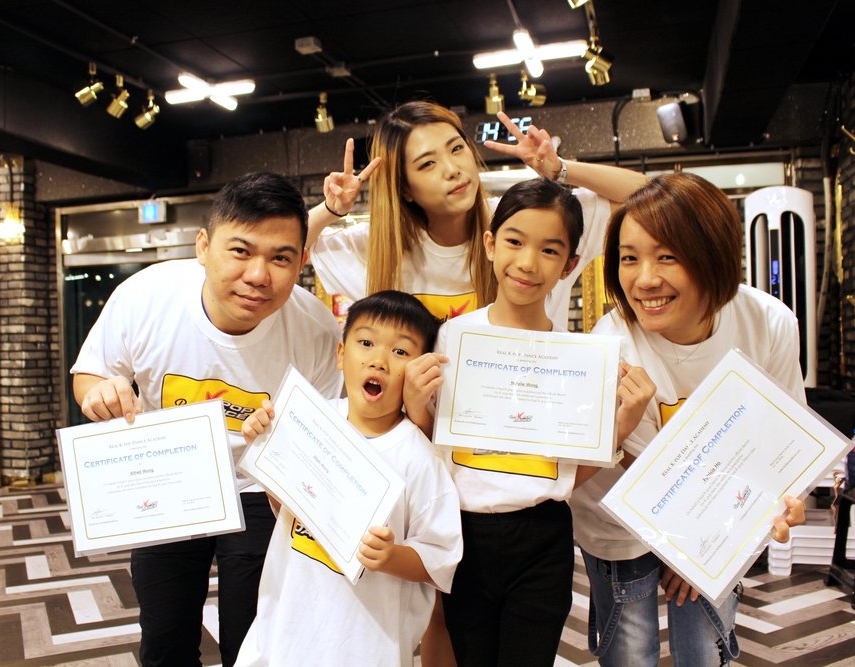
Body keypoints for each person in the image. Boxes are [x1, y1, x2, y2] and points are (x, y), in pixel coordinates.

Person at [70, 172, 343, 667]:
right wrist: (101, 395)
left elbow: (317, 436)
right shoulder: (146, 296)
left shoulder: (316, 330)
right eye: (240, 251)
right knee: (165, 639)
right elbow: (89, 375)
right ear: (203, 246)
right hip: (170, 481)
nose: (259, 275)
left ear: (302, 262)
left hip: (262, 485)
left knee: (256, 643)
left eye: (281, 257)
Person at [408, 179, 655, 666]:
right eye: (515, 241)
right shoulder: (450, 338)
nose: (526, 263)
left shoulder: (578, 361)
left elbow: (566, 478)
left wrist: (620, 430)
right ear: (490, 243)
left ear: (569, 266)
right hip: (464, 533)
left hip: (543, 537)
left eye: (549, 250)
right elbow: (425, 459)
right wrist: (417, 407)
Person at [571, 172, 807, 667]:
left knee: (703, 649)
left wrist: (720, 542)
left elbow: (786, 437)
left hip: (716, 516)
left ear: (712, 254)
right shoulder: (611, 339)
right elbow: (640, 462)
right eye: (629, 257)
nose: (644, 279)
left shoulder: (768, 322)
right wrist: (694, 542)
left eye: (668, 256)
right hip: (620, 520)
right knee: (629, 650)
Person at [233, 290, 463, 667]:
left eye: (400, 352)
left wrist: (390, 557)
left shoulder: (419, 458)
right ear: (341, 354)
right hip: (284, 628)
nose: (378, 360)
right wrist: (266, 445)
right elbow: (286, 510)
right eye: (366, 342)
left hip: (364, 643)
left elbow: (439, 559)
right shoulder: (309, 421)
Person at [306, 103, 647, 326]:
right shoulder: (381, 248)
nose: (453, 169)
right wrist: (331, 209)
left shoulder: (524, 220)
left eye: (457, 149)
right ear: (405, 189)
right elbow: (285, 246)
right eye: (428, 164)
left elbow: (646, 196)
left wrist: (559, 169)